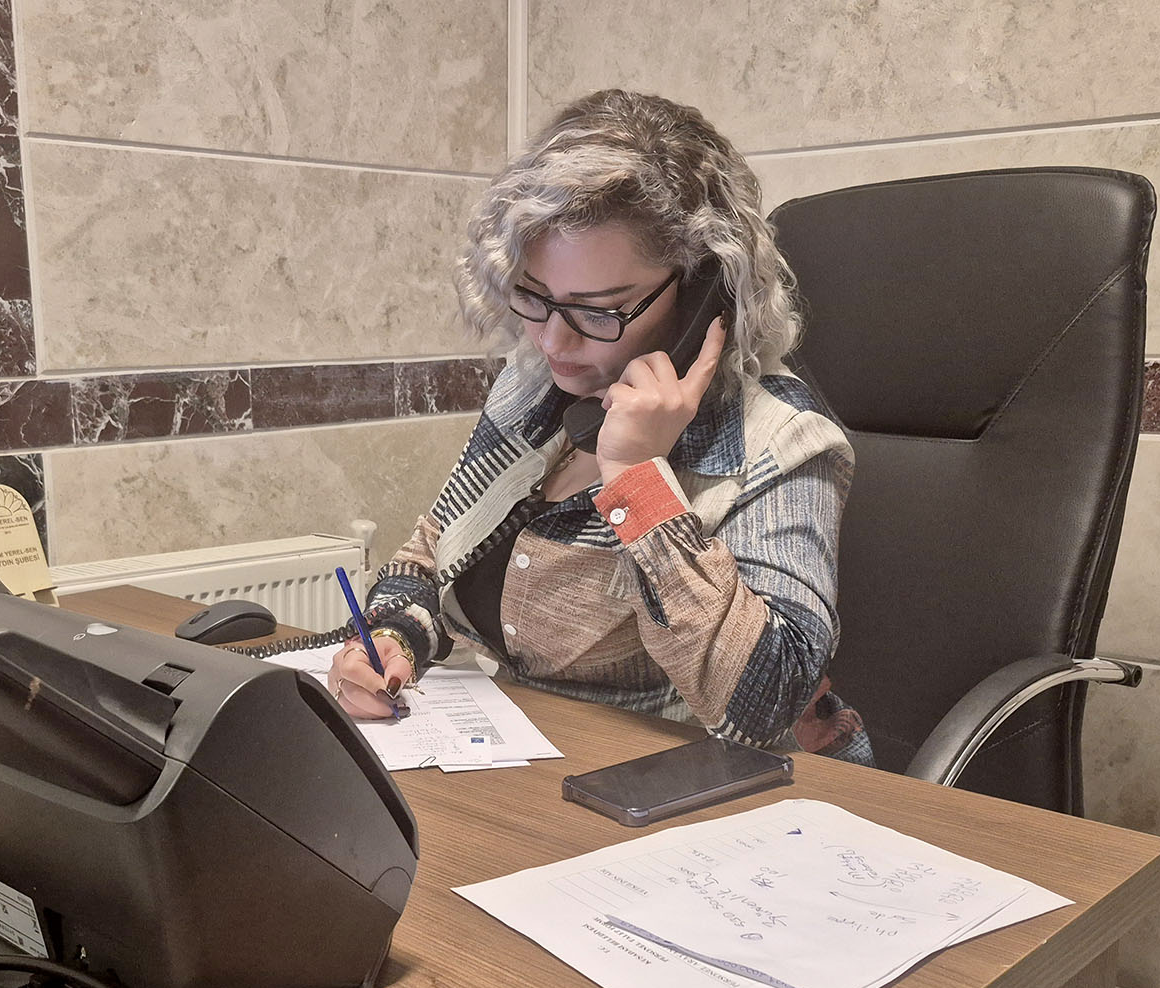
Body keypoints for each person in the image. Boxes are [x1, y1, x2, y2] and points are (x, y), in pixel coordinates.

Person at [327, 89, 872, 766]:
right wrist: (393, 638)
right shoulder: (536, 390)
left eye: (598, 310)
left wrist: (639, 479)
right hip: (540, 773)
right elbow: (434, 552)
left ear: (704, 292)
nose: (553, 340)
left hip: (714, 800)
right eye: (534, 296)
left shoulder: (782, 441)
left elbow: (769, 704)